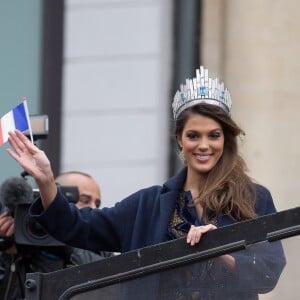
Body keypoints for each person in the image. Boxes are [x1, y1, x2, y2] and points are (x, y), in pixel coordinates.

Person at [5, 66, 285, 298]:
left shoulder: (253, 198)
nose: (204, 145)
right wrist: (45, 180)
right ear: (180, 140)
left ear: (225, 140)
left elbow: (269, 272)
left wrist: (222, 251)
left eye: (213, 135)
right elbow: (80, 227)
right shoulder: (148, 205)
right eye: (193, 135)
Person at [0, 171, 111, 300]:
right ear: (53, 198)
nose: (94, 208)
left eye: (97, 204)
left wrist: (67, 249)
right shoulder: (20, 243)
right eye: (85, 200)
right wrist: (7, 254)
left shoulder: (102, 247)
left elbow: (109, 283)